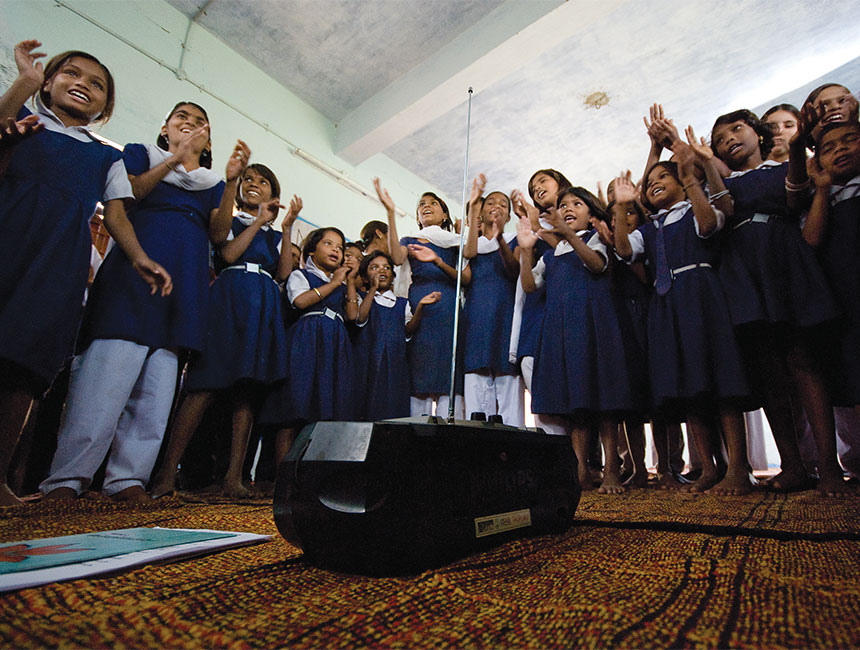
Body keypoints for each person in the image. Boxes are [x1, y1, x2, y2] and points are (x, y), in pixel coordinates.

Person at [40, 101, 243, 503]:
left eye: (200, 122)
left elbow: (219, 237)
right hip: (135, 272)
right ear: (165, 128)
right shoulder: (138, 154)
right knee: (106, 373)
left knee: (158, 380)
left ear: (208, 141)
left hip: (183, 282)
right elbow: (127, 194)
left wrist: (232, 183)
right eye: (182, 117)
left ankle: (127, 478)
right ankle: (69, 477)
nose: (190, 124)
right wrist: (174, 161)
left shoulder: (211, 183)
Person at [0, 41, 170, 506]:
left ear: (105, 106)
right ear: (48, 81)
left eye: (96, 84)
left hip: (58, 260)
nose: (83, 85)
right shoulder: (24, 124)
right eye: (70, 74)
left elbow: (116, 216)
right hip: (9, 238)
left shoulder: (105, 156)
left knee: (24, 365)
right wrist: (23, 84)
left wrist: (139, 258)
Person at [711, 109, 841, 494]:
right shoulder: (725, 182)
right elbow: (722, 212)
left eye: (737, 129)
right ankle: (792, 465)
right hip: (742, 271)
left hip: (781, 261)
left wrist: (799, 146)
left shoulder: (778, 167)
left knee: (802, 361)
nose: (729, 139)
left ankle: (830, 467)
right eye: (719, 138)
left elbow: (795, 192)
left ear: (759, 134)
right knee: (767, 370)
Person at [151, 164, 300, 498]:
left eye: (263, 182)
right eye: (248, 179)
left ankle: (234, 477)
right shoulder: (228, 221)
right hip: (230, 299)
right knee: (203, 385)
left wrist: (286, 226)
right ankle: (165, 474)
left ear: (272, 196)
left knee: (246, 391)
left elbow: (284, 272)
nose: (253, 185)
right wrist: (260, 220)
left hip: (261, 304)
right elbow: (228, 254)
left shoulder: (274, 236)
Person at [613, 153, 754, 495]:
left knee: (722, 383)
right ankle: (707, 467)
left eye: (663, 177)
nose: (654, 183)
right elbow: (623, 249)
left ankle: (738, 467)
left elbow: (708, 226)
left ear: (682, 180)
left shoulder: (694, 209)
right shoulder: (649, 228)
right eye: (649, 183)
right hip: (667, 304)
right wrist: (620, 207)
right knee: (690, 388)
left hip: (702, 296)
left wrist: (693, 181)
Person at [518, 186, 644, 494]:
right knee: (577, 405)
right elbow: (530, 285)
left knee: (606, 402)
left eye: (577, 203)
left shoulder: (598, 238)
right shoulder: (551, 254)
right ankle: (579, 473)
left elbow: (597, 265)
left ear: (591, 212)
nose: (569, 208)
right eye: (563, 205)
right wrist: (524, 250)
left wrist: (569, 235)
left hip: (596, 326)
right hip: (564, 331)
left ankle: (612, 469)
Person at [797, 120, 860, 494]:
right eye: (828, 147)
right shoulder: (826, 196)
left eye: (850, 140)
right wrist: (821, 190)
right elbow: (811, 239)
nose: (840, 149)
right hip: (842, 295)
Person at [260, 227, 359, 462]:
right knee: (295, 407)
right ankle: (283, 480)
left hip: (334, 344)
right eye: (328, 244)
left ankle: (312, 479)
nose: (336, 249)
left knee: (326, 411)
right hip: (307, 342)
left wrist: (350, 281)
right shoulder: (301, 275)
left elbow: (353, 316)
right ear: (312, 251)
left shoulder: (342, 283)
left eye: (340, 247)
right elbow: (300, 300)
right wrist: (334, 284)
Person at [380, 178, 470, 418]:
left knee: (449, 373)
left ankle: (449, 430)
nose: (426, 206)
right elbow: (398, 259)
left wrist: (438, 259)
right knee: (419, 370)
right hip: (419, 303)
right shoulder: (409, 240)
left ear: (444, 215)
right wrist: (390, 213)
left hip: (448, 304)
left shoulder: (455, 241)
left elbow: (465, 276)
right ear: (418, 216)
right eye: (421, 204)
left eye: (433, 203)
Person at [509, 169, 572, 436]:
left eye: (543, 181)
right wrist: (527, 229)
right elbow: (517, 261)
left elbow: (570, 247)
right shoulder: (531, 223)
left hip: (570, 314)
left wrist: (537, 225)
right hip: (537, 317)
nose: (537, 188)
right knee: (543, 396)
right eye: (533, 187)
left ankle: (588, 463)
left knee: (576, 394)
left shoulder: (574, 215)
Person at [462, 175, 523, 425]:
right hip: (476, 317)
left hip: (506, 315)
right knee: (476, 381)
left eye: (503, 204)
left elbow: (514, 271)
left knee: (508, 385)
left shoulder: (515, 241)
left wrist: (499, 239)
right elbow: (469, 255)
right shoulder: (470, 244)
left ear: (509, 216)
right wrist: (474, 201)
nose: (496, 205)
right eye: (490, 202)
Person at [353, 250, 439, 421]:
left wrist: (420, 307)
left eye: (386, 267)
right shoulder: (361, 297)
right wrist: (373, 289)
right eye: (374, 267)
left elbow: (408, 329)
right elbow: (360, 318)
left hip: (394, 365)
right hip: (367, 363)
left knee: (392, 407)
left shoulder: (402, 303)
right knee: (365, 406)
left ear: (393, 276)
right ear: (364, 277)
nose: (381, 271)